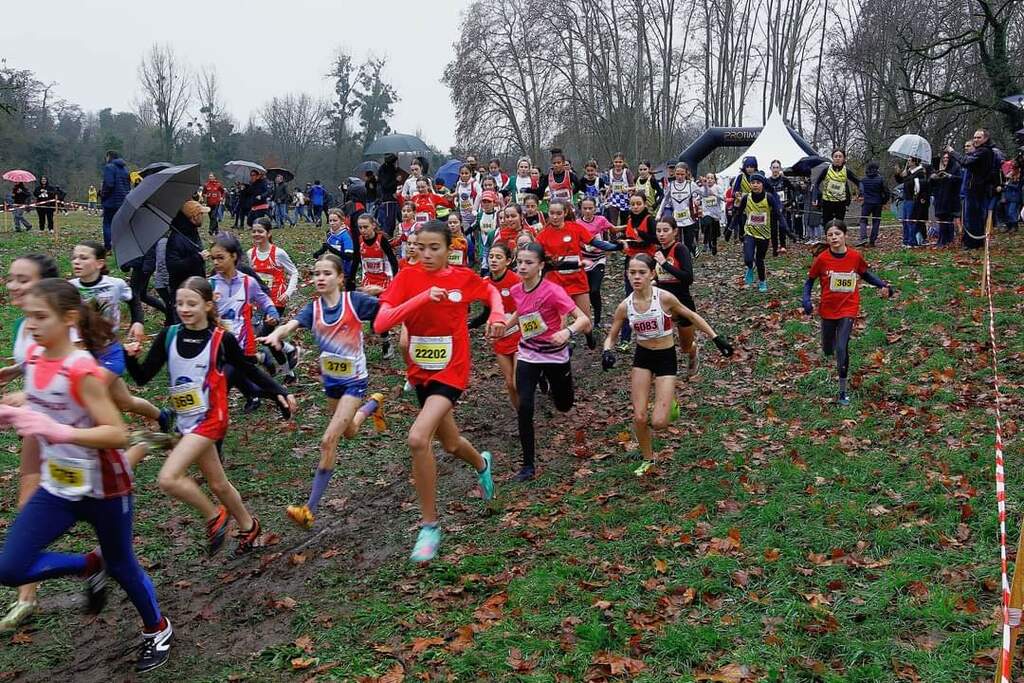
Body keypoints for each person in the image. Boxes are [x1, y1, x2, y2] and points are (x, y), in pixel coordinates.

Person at [0, 278, 173, 673]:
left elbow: (117, 433)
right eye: (28, 317)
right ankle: (90, 564)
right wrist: (12, 412)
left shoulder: (82, 369)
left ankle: (157, 628)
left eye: (40, 317)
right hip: (59, 486)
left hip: (105, 487)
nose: (31, 325)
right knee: (9, 568)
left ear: (68, 319)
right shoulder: (36, 359)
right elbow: (43, 404)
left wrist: (58, 432)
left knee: (123, 564)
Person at [125, 277, 294, 555]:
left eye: (191, 303)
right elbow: (142, 377)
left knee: (168, 478)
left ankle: (215, 516)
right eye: (180, 303)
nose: (184, 309)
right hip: (185, 422)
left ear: (207, 305)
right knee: (218, 483)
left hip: (210, 420)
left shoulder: (220, 339)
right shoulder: (169, 336)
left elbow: (248, 369)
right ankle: (249, 526)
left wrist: (278, 391)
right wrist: (130, 357)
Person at [372, 220, 505, 562]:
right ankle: (482, 464)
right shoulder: (406, 278)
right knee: (450, 442)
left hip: (452, 371)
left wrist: (497, 314)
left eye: (435, 248)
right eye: (421, 247)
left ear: (450, 248)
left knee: (418, 438)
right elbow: (381, 323)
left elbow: (490, 292)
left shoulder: (462, 277)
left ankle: (429, 526)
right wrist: (420, 298)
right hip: (421, 373)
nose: (427, 254)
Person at [259, 254, 386, 529]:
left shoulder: (354, 302)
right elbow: (290, 325)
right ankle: (374, 405)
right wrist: (277, 335)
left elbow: (390, 309)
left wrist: (385, 295)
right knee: (349, 431)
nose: (320, 278)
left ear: (340, 278)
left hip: (354, 382)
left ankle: (309, 510)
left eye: (327, 273)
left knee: (329, 441)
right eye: (316, 273)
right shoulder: (313, 309)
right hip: (332, 383)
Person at [603, 254, 733, 461]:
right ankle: (648, 459)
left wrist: (717, 338)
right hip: (643, 358)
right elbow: (611, 336)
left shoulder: (664, 298)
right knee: (639, 416)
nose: (636, 277)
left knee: (659, 423)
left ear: (652, 274)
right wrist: (607, 351)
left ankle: (669, 400)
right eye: (632, 273)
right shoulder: (625, 306)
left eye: (642, 273)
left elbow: (691, 316)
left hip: (666, 357)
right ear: (627, 275)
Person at [501, 243, 591, 482]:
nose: (522, 267)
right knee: (525, 407)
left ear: (541, 265)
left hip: (555, 355)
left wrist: (567, 332)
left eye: (528, 262)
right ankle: (528, 465)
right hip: (528, 353)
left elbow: (583, 319)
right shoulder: (517, 289)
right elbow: (521, 312)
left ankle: (553, 384)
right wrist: (504, 327)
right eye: (519, 262)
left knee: (564, 405)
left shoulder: (552, 291)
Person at [802, 220, 894, 405]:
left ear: (845, 235)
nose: (834, 238)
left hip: (848, 307)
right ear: (826, 238)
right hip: (828, 309)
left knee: (842, 347)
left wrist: (883, 285)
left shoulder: (854, 256)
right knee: (828, 349)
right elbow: (809, 282)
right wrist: (806, 300)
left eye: (837, 234)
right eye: (830, 235)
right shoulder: (822, 259)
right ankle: (829, 348)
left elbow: (866, 274)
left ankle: (843, 391)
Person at [536, 199, 622, 349]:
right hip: (556, 283)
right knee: (560, 322)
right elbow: (538, 258)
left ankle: (589, 336)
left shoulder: (575, 228)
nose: (555, 217)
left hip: (577, 280)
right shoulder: (543, 235)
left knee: (585, 320)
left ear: (565, 213)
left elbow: (595, 242)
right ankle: (562, 351)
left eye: (558, 213)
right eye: (552, 213)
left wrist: (616, 247)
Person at [469, 243, 521, 409]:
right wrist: (469, 325)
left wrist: (508, 324)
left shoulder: (516, 280)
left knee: (517, 382)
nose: (493, 260)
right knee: (509, 383)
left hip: (521, 336)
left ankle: (537, 379)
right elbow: (487, 312)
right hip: (500, 338)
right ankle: (521, 415)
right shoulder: (485, 283)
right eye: (491, 256)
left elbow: (525, 308)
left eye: (498, 257)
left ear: (508, 261)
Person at [249, 218, 300, 379]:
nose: (257, 234)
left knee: (266, 336)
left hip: (277, 302)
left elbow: (294, 272)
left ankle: (290, 350)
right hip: (259, 303)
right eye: (254, 231)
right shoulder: (250, 254)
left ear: (269, 233)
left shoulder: (278, 253)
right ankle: (289, 372)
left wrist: (288, 293)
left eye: (260, 231)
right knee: (269, 340)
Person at [652, 217, 700, 375]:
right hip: (662, 303)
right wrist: (652, 281)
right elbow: (658, 276)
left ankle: (693, 351)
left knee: (685, 347)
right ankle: (662, 371)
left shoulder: (680, 249)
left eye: (665, 230)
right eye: (658, 231)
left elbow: (688, 278)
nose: (661, 234)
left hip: (682, 303)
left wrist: (665, 264)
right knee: (659, 340)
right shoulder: (657, 252)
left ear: (675, 232)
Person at [728, 172, 788, 292]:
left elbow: (778, 214)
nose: (755, 185)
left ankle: (762, 281)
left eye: (758, 183)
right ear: (750, 184)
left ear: (762, 184)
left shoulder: (769, 197)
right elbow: (738, 214)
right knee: (748, 258)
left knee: (760, 259)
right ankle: (750, 267)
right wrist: (729, 229)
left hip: (764, 234)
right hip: (749, 232)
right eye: (753, 183)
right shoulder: (746, 198)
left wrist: (787, 229)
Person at [950, 129, 1003, 249]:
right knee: (975, 217)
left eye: (979, 137)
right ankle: (975, 242)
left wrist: (952, 152)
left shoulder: (984, 152)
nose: (976, 140)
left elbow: (965, 161)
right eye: (974, 137)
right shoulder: (984, 151)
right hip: (976, 189)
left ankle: (972, 243)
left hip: (976, 190)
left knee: (972, 218)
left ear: (986, 138)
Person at [578, 196, 614, 328]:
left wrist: (629, 227)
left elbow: (613, 229)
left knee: (595, 290)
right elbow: (575, 240)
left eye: (590, 208)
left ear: (595, 209)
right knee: (586, 291)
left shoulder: (601, 220)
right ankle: (586, 319)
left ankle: (597, 321)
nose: (588, 211)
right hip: (584, 260)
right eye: (585, 208)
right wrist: (584, 246)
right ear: (581, 209)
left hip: (599, 259)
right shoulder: (577, 223)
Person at [167, 200, 209, 300]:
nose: (203, 217)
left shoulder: (192, 231)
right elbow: (173, 267)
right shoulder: (176, 239)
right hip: (184, 293)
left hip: (196, 288)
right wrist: (198, 258)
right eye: (201, 214)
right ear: (194, 217)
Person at [659, 163, 700, 255]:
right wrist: (659, 213)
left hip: (688, 217)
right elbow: (665, 200)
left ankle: (692, 248)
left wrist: (698, 199)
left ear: (686, 174)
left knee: (688, 242)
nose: (680, 177)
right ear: (675, 173)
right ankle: (680, 258)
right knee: (677, 241)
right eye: (677, 174)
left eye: (682, 174)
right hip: (676, 217)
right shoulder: (671, 185)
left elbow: (701, 194)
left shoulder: (691, 184)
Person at [813, 149, 860, 224]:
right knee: (827, 225)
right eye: (835, 156)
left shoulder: (846, 171)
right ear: (832, 158)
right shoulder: (826, 170)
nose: (838, 158)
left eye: (840, 156)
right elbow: (816, 183)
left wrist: (861, 194)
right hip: (827, 202)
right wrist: (815, 197)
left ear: (843, 159)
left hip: (841, 203)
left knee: (839, 225)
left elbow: (858, 182)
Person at [894, 157, 929, 247]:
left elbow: (920, 186)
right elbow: (901, 182)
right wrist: (898, 174)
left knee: (911, 221)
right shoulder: (909, 172)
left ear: (914, 162)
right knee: (905, 221)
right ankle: (905, 240)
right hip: (906, 198)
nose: (908, 162)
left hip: (913, 199)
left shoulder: (920, 173)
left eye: (909, 160)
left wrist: (907, 177)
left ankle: (912, 241)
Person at [929, 154, 962, 247]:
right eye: (943, 158)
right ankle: (942, 240)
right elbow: (931, 186)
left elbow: (960, 180)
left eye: (947, 158)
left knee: (948, 220)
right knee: (941, 220)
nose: (945, 159)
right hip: (939, 199)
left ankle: (948, 240)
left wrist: (949, 176)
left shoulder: (955, 168)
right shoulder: (937, 170)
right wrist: (932, 178)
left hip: (950, 199)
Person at [100, 151, 131, 249]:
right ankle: (120, 245)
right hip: (123, 201)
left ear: (109, 157)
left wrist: (103, 195)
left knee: (107, 224)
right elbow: (128, 186)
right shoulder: (125, 170)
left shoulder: (109, 167)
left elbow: (109, 184)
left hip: (111, 201)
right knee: (119, 225)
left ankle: (108, 246)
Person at [765, 160, 796, 255]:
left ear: (780, 169)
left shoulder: (784, 180)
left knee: (783, 227)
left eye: (777, 167)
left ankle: (783, 246)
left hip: (783, 207)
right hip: (772, 208)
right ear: (770, 169)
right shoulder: (767, 181)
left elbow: (793, 190)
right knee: (773, 229)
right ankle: (775, 248)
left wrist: (789, 203)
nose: (775, 170)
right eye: (773, 167)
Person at [857, 161, 889, 247]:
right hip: (878, 203)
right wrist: (884, 201)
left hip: (867, 203)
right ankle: (872, 240)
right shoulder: (881, 179)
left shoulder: (863, 180)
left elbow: (861, 191)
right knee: (876, 221)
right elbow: (886, 192)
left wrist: (861, 196)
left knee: (863, 220)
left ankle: (863, 237)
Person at [696, 174, 725, 256]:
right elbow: (699, 197)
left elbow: (723, 198)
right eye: (708, 178)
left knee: (714, 231)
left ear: (715, 180)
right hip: (706, 212)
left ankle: (713, 243)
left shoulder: (718, 188)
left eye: (712, 178)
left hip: (715, 213)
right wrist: (697, 201)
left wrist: (715, 195)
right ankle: (707, 243)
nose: (709, 180)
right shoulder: (702, 188)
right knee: (707, 224)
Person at [376, 153, 401, 236]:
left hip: (391, 199)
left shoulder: (389, 170)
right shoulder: (386, 171)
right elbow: (386, 185)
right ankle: (387, 238)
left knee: (391, 223)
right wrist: (396, 181)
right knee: (388, 224)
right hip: (388, 200)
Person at [605, 153, 633, 225]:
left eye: (620, 162)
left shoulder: (626, 172)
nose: (618, 164)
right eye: (616, 162)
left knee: (624, 222)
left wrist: (627, 189)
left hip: (625, 199)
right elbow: (610, 185)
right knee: (613, 222)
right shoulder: (610, 172)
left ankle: (623, 232)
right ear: (613, 162)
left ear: (623, 162)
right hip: (613, 199)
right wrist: (606, 193)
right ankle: (613, 232)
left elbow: (634, 187)